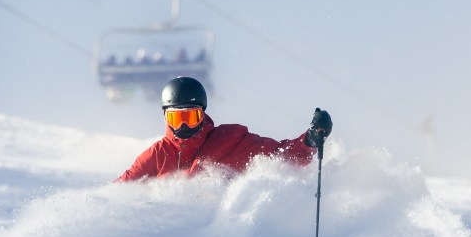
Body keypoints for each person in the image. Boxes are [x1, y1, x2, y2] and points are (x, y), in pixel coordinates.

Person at [116, 76, 332, 182]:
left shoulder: (231, 140)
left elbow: (281, 156)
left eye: (191, 117)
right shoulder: (157, 156)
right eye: (176, 117)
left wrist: (310, 140)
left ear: (202, 115)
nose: (183, 125)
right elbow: (120, 192)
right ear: (165, 117)